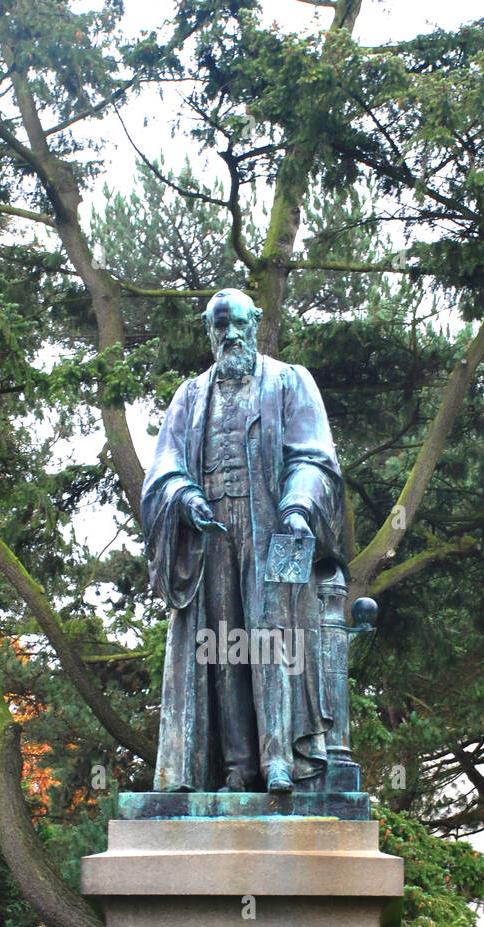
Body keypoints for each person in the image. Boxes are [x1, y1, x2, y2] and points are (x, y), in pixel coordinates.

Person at [142, 288, 345, 794]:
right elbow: (163, 469)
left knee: (276, 638)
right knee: (221, 645)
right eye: (219, 326)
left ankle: (281, 758)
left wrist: (298, 509)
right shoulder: (190, 395)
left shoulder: (289, 382)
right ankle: (237, 767)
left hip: (278, 527)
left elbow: (314, 457)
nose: (230, 335)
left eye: (238, 324)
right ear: (209, 331)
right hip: (210, 531)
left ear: (256, 323)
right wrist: (185, 498)